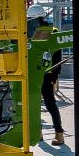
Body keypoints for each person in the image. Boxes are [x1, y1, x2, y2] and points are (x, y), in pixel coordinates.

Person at [27, 10, 65, 148]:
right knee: (49, 104)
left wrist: (55, 74)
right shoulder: (47, 31)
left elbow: (57, 55)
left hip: (40, 73)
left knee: (39, 104)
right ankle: (57, 134)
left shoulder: (45, 32)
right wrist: (55, 75)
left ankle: (45, 133)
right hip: (45, 73)